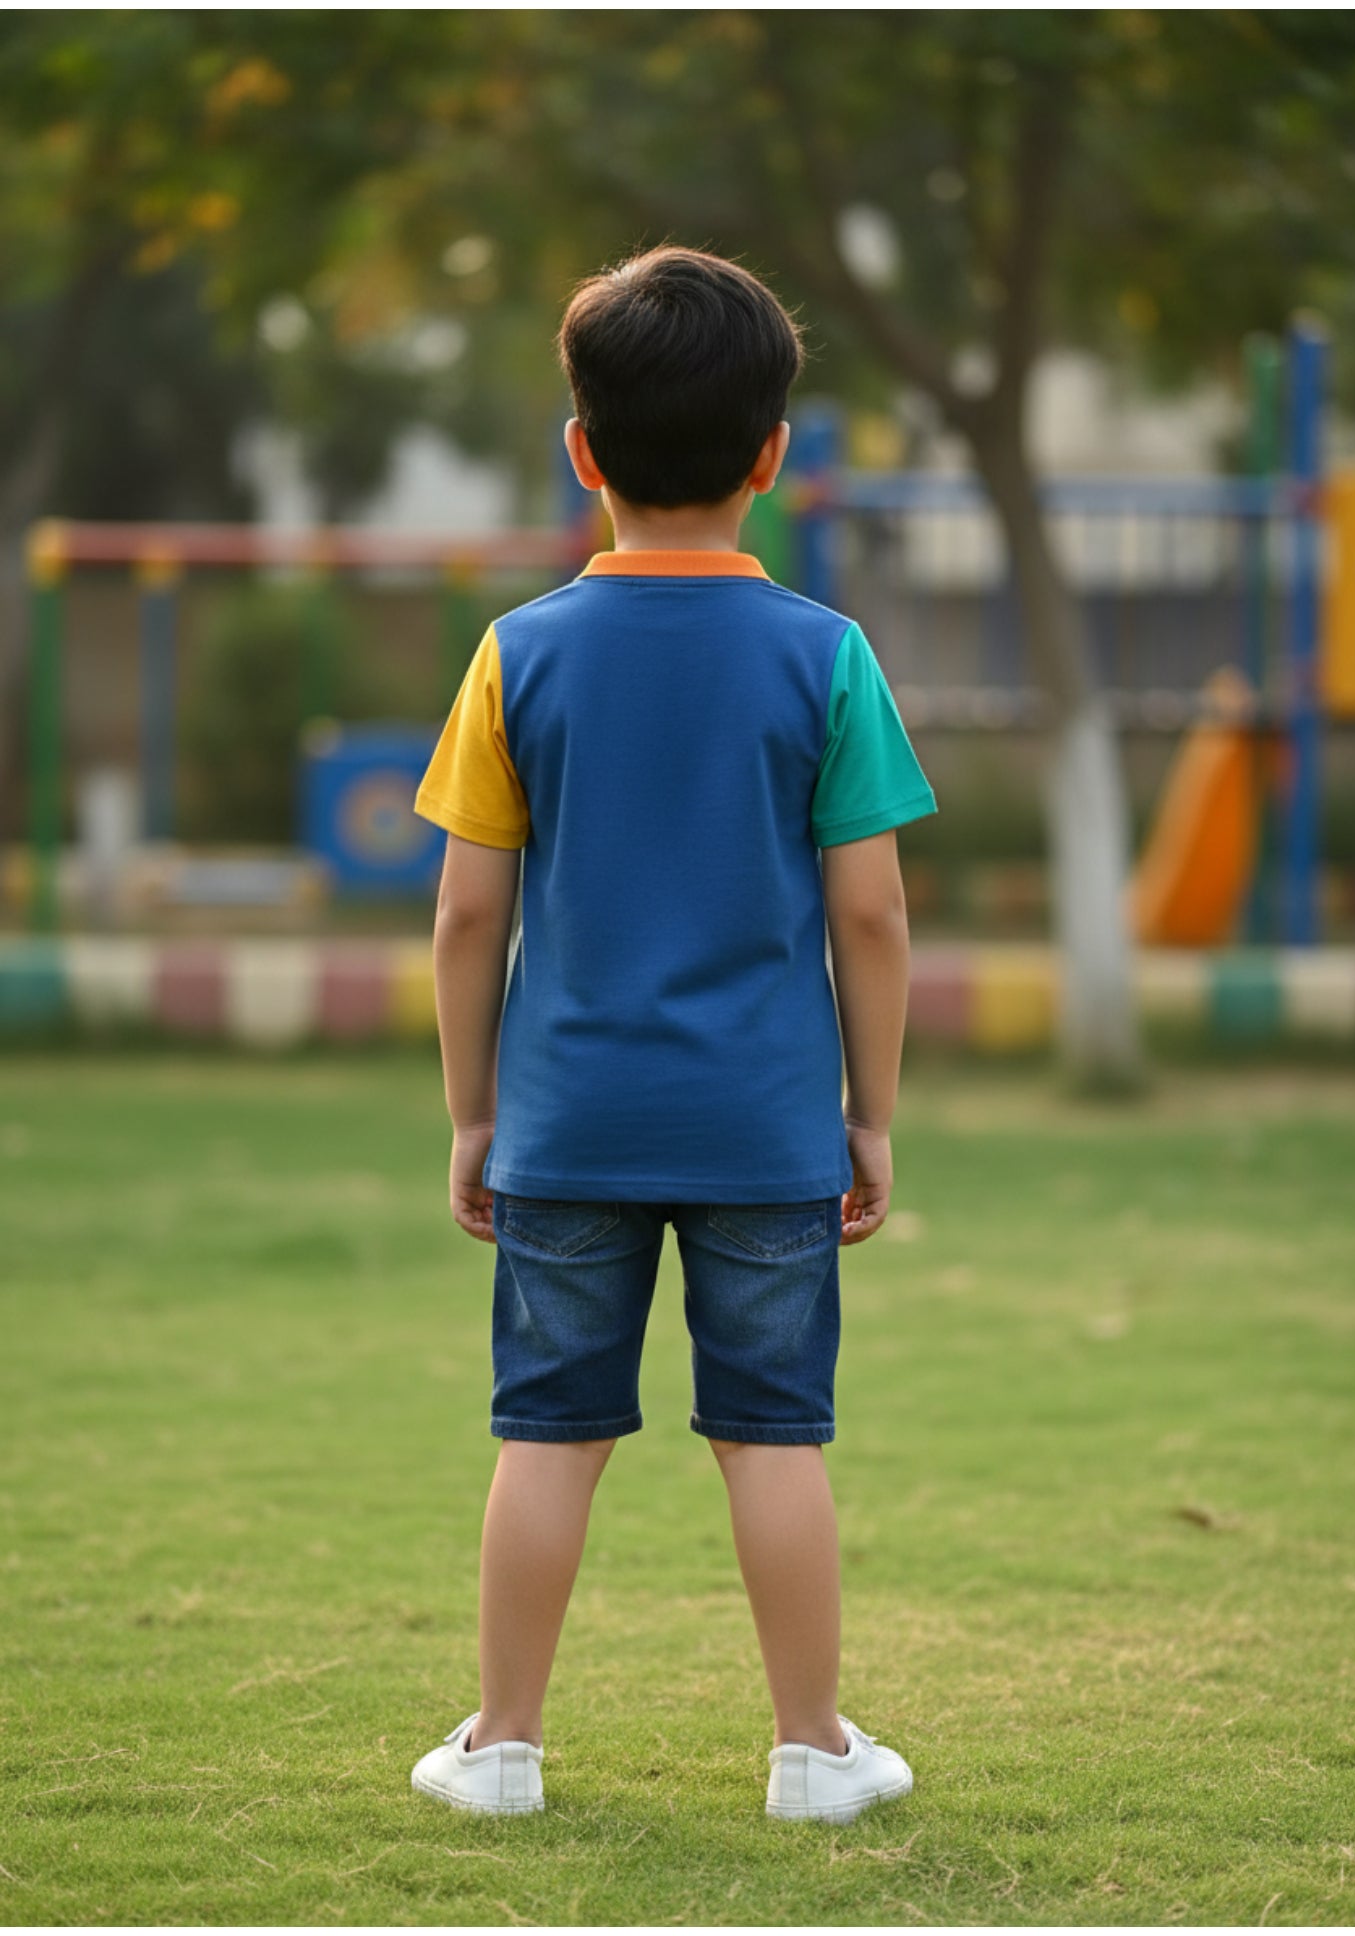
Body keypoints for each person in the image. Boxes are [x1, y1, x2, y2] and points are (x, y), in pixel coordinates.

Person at [408, 245, 937, 1824]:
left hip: (565, 1127)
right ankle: (812, 1752)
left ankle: (500, 1749)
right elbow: (875, 921)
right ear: (775, 457)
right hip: (768, 1130)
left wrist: (471, 1113)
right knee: (771, 1437)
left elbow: (462, 921)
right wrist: (873, 1113)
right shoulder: (828, 658)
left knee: (549, 1435)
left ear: (581, 451)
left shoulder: (516, 654)